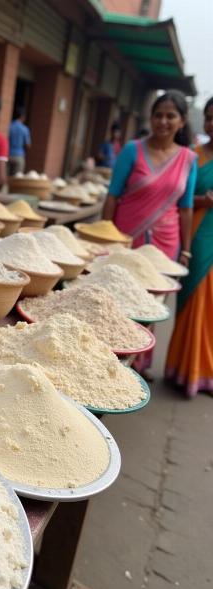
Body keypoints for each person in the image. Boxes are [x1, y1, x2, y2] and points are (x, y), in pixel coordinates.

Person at [102, 91, 197, 378]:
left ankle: (138, 365)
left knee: (151, 306)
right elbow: (112, 196)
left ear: (181, 122)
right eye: (158, 114)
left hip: (164, 246)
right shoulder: (132, 150)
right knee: (116, 302)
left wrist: (186, 249)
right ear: (151, 118)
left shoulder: (188, 158)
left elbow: (186, 208)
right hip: (126, 239)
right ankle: (108, 360)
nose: (163, 121)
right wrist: (104, 238)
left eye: (171, 116)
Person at [166, 98, 213, 396]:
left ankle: (205, 373)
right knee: (193, 304)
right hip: (196, 237)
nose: (212, 124)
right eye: (209, 118)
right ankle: (183, 370)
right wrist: (204, 202)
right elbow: (178, 199)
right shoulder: (192, 157)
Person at [8, 107, 31, 175]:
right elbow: (28, 145)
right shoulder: (25, 129)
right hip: (19, 155)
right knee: (17, 178)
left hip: (8, 154)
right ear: (22, 116)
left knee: (7, 178)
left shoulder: (9, 126)